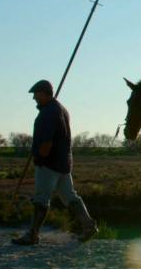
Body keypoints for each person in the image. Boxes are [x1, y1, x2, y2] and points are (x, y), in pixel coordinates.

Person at [12, 79, 98, 245]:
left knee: (41, 199)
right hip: (63, 163)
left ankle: (32, 234)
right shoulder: (61, 110)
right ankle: (88, 226)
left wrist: (40, 159)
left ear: (44, 93)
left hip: (49, 164)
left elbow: (46, 142)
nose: (34, 98)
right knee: (70, 197)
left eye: (36, 94)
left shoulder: (48, 112)